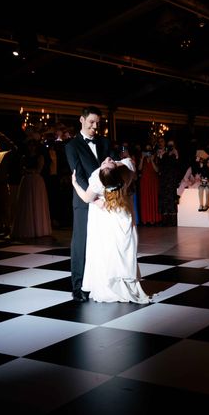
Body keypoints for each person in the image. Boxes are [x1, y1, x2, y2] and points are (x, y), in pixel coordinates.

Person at [71, 157, 151, 304]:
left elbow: (87, 198)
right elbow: (129, 161)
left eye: (107, 162)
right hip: (122, 214)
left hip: (105, 216)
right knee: (121, 249)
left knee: (106, 250)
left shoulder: (97, 178)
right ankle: (124, 282)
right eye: (108, 161)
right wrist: (116, 164)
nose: (107, 158)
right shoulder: (126, 171)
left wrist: (75, 184)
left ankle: (109, 284)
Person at [65, 106, 112, 302]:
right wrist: (93, 198)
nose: (95, 127)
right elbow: (79, 176)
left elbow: (113, 166)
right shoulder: (71, 146)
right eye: (91, 122)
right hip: (85, 201)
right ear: (82, 120)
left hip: (106, 201)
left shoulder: (104, 142)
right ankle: (78, 286)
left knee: (101, 244)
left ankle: (98, 283)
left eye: (98, 123)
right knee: (81, 244)